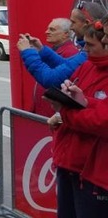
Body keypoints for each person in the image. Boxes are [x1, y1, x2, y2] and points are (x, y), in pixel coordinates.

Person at [44, 21, 108, 217]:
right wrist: (66, 108)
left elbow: (102, 120)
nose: (84, 48)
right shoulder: (86, 65)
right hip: (70, 161)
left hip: (91, 169)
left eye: (91, 44)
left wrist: (65, 112)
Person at [18, 2, 107, 89]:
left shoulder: (79, 53)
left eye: (73, 22)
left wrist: (28, 52)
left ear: (87, 23)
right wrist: (41, 49)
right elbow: (66, 65)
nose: (71, 27)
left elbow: (51, 79)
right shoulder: (86, 52)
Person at [27, 18, 80, 116]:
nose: (46, 32)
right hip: (45, 111)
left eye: (52, 29)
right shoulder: (54, 51)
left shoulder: (71, 53)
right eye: (48, 29)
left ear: (66, 34)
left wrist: (27, 52)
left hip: (52, 113)